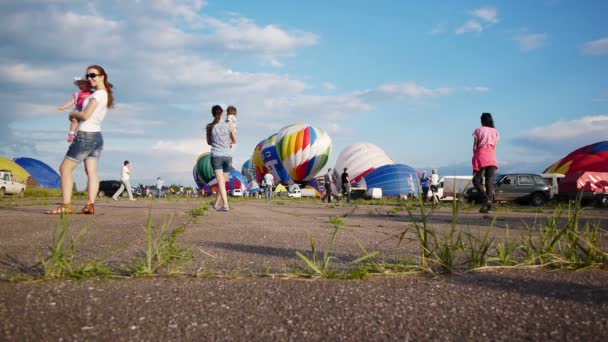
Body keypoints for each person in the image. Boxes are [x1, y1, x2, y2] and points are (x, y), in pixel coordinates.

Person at [47, 65, 114, 215]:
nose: (90, 78)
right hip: (97, 136)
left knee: (65, 169)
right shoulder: (103, 94)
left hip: (86, 135)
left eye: (93, 75)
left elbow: (85, 116)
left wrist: (73, 113)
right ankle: (90, 205)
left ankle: (66, 205)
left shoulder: (98, 94)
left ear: (102, 76)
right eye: (88, 76)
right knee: (91, 172)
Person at [206, 105, 237, 211]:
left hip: (216, 155)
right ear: (223, 113)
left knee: (220, 181)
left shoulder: (210, 126)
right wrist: (227, 143)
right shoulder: (228, 125)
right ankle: (215, 203)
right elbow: (234, 140)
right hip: (228, 156)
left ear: (212, 113)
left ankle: (225, 205)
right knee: (222, 182)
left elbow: (209, 142)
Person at [472, 112, 500, 213]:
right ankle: (488, 207)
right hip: (492, 157)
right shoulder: (495, 132)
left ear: (482, 120)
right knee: (489, 183)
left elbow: (475, 147)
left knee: (476, 180)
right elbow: (495, 148)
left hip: (481, 156)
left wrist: (475, 157)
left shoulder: (479, 130)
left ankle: (486, 199)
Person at [57, 77, 94, 143]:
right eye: (79, 84)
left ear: (89, 84)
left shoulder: (93, 94)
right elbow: (72, 101)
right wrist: (63, 107)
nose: (80, 86)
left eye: (82, 84)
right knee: (74, 121)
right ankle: (71, 134)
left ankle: (78, 134)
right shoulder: (77, 94)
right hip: (78, 110)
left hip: (87, 111)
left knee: (82, 125)